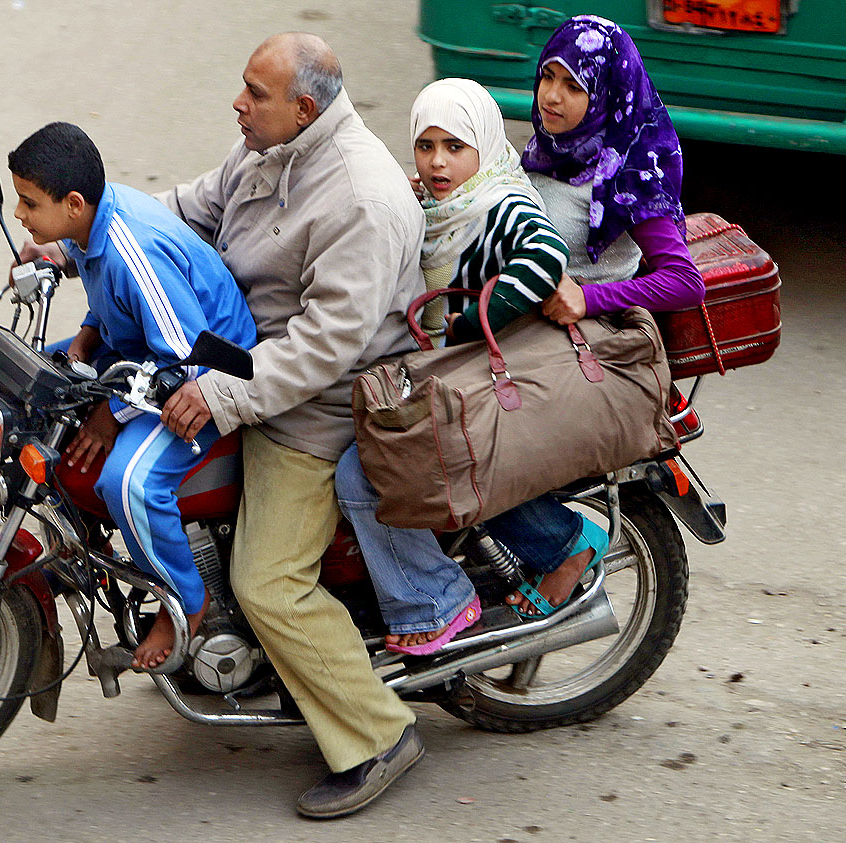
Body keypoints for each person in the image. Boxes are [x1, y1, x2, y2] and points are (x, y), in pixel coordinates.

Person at [154, 33, 428, 819]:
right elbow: (190, 208)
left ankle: (380, 735)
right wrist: (85, 232)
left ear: (304, 107)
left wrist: (221, 395)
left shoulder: (360, 199)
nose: (237, 104)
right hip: (248, 362)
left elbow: (323, 347)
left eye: (254, 93)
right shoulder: (266, 148)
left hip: (320, 409)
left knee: (267, 581)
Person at [6, 122, 257, 669]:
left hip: (203, 376)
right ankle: (80, 534)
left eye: (29, 203)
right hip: (141, 350)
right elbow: (113, 305)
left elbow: (182, 355)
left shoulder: (131, 248)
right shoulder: (88, 225)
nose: (20, 215)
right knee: (33, 383)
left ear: (73, 203)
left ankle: (185, 602)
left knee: (130, 481)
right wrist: (80, 346)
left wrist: (109, 415)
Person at [334, 78, 569, 654]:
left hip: (483, 377)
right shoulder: (443, 205)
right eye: (426, 145)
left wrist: (470, 326)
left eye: (455, 148)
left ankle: (435, 599)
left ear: (484, 147)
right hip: (445, 370)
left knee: (364, 471)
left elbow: (546, 256)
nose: (438, 162)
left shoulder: (500, 203)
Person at [500, 14, 705, 616]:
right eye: (548, 78)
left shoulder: (632, 168)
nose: (553, 97)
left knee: (457, 435)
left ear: (607, 94)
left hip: (575, 337)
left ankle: (564, 545)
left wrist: (589, 298)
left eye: (573, 85)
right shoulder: (548, 148)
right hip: (518, 320)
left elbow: (682, 281)